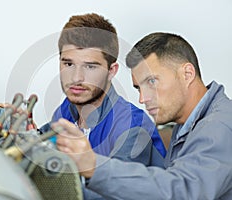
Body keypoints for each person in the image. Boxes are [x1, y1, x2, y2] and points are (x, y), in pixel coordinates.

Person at [54, 32, 232, 199]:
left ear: (187, 74)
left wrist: (94, 166)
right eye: (139, 88)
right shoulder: (188, 123)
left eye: (152, 81)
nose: (142, 98)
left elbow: (182, 190)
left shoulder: (219, 126)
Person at [41, 14, 166, 199]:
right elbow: (42, 142)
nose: (76, 78)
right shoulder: (65, 110)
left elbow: (113, 195)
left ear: (111, 71)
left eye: (90, 67)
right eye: (68, 63)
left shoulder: (134, 127)